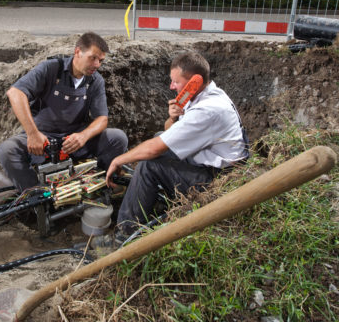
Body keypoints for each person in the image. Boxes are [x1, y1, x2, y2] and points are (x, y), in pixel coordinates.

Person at [104, 50, 248, 242]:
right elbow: (168, 132)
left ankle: (125, 235)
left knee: (150, 164)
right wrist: (174, 117)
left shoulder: (207, 110)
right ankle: (151, 200)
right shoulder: (205, 94)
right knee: (159, 137)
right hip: (210, 163)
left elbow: (155, 148)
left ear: (194, 82)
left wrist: (119, 159)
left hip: (217, 181)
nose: (171, 86)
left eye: (176, 82)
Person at [0, 32, 128, 191]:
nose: (97, 65)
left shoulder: (95, 80)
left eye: (100, 60)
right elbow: (15, 93)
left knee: (118, 138)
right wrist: (32, 134)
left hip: (73, 140)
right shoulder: (50, 69)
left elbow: (102, 118)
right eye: (93, 58)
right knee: (7, 151)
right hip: (42, 138)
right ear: (77, 52)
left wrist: (83, 136)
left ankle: (96, 185)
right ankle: (36, 195)